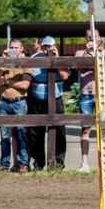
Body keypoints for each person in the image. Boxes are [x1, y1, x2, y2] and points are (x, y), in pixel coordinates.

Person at [28, 36, 70, 170]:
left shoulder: (61, 59)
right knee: (36, 133)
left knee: (59, 131)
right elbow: (28, 74)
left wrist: (56, 60)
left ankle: (58, 162)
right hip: (37, 100)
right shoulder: (34, 58)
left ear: (54, 47)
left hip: (55, 99)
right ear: (41, 47)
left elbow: (65, 76)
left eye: (50, 46)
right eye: (45, 46)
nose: (47, 49)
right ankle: (38, 163)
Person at [0, 39, 32, 173]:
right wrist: (3, 59)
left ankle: (23, 164)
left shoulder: (26, 63)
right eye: (11, 47)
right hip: (3, 101)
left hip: (19, 101)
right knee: (4, 136)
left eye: (15, 47)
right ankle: (4, 165)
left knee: (21, 133)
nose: (13, 49)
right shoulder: (5, 62)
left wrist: (7, 82)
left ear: (21, 49)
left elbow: (25, 85)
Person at [74, 29, 105, 172]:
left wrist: (98, 54)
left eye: (95, 37)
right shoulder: (80, 53)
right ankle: (84, 162)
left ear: (99, 38)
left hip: (102, 94)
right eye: (89, 37)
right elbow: (77, 67)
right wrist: (87, 52)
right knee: (86, 128)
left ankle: (103, 161)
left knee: (103, 128)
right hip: (86, 94)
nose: (92, 39)